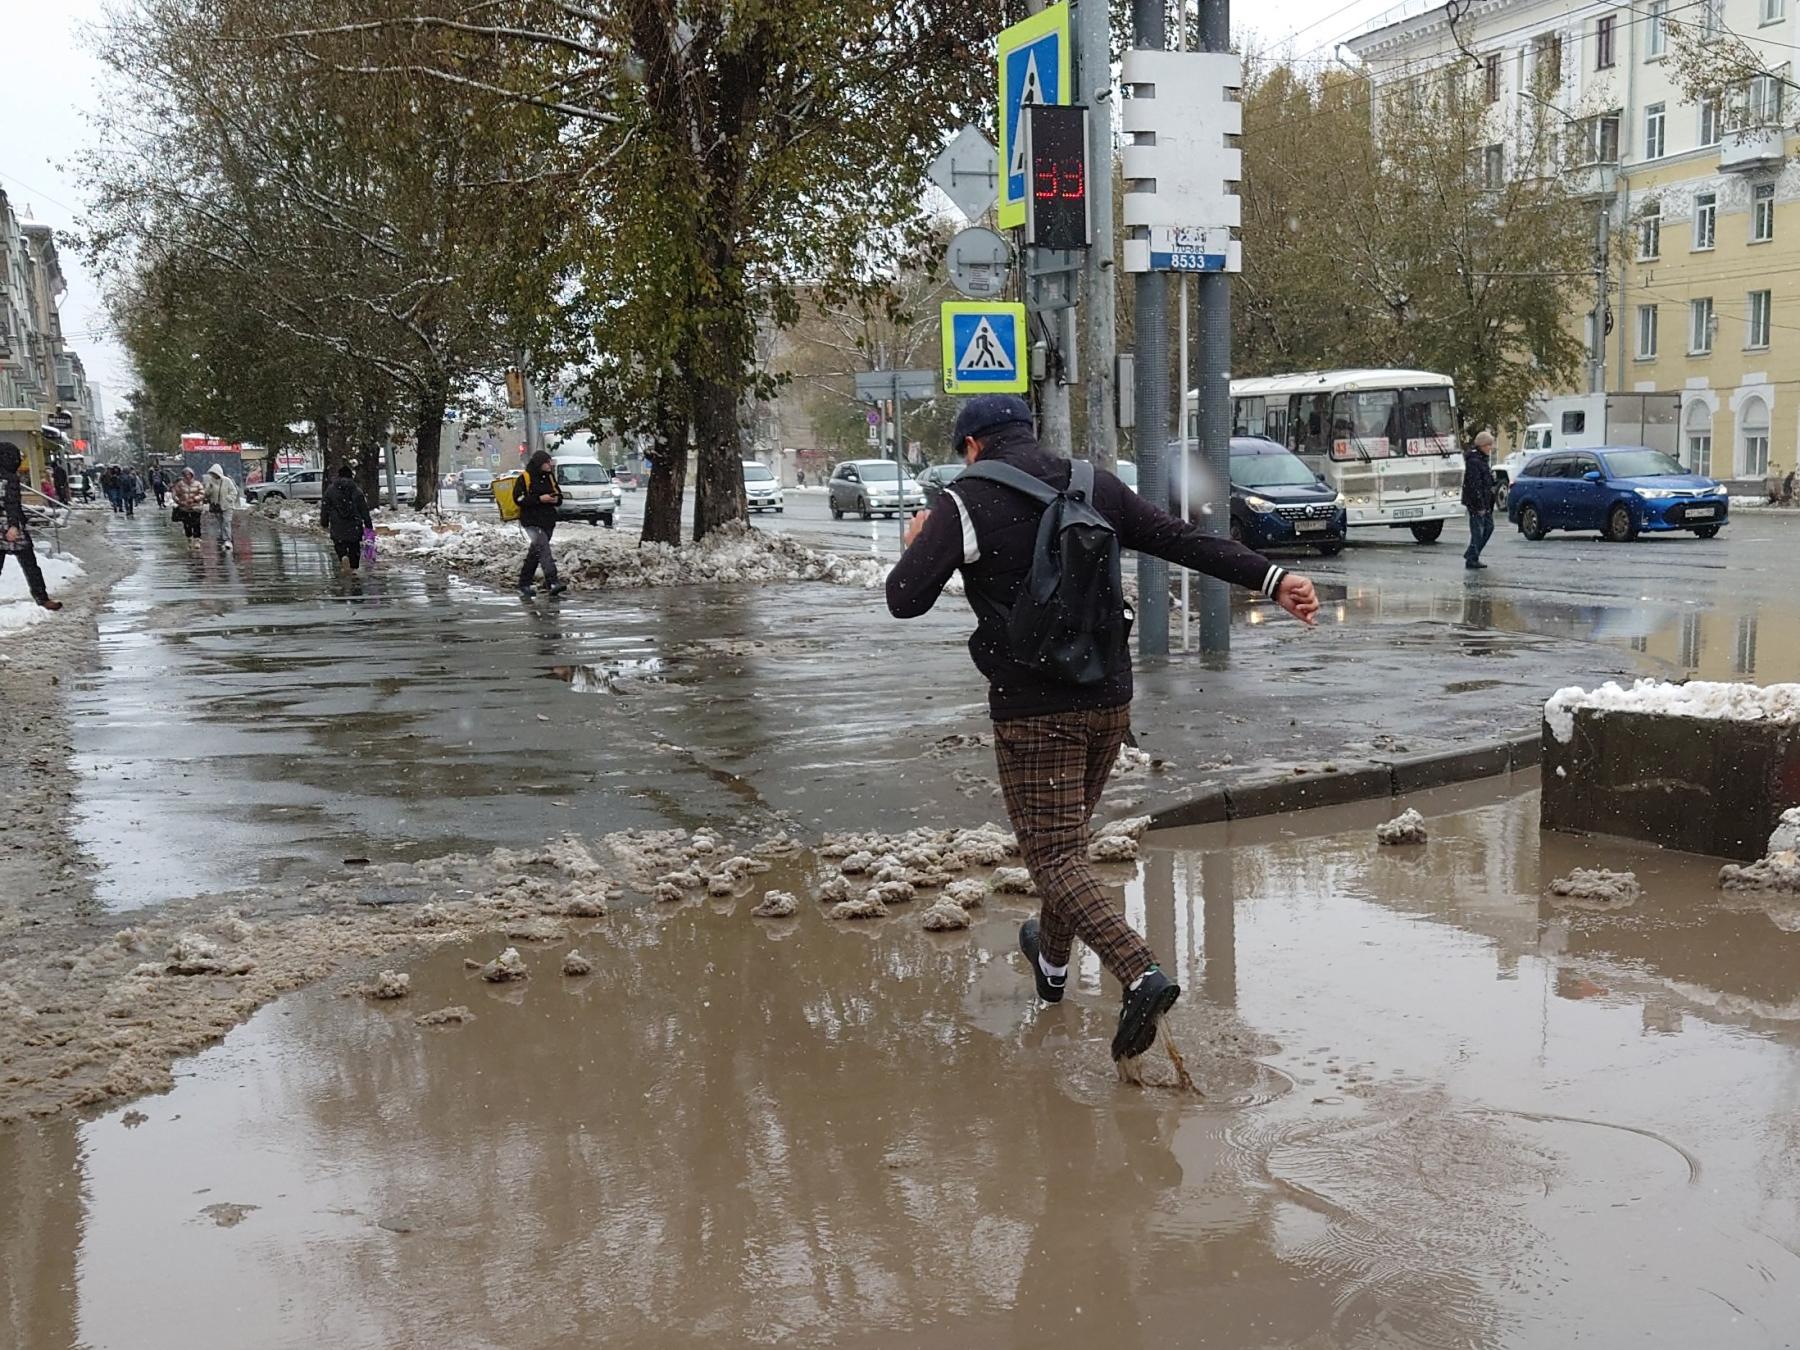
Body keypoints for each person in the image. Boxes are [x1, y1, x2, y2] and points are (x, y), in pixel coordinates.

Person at [885, 395, 1319, 1065]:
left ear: (971, 446)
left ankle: (1142, 974)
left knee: (1053, 857)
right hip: (1108, 698)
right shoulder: (1093, 483)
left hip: (1034, 709)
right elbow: (1181, 539)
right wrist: (1272, 576)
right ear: (1027, 434)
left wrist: (922, 541)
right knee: (1069, 849)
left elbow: (903, 600)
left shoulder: (965, 501)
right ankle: (1051, 970)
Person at [0, 442, 62, 612]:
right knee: (30, 565)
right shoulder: (10, 478)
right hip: (11, 527)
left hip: (8, 524)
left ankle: (42, 597)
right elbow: (11, 502)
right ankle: (42, 598)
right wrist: (14, 525)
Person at [512, 449, 566, 598]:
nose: (550, 465)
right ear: (539, 463)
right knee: (543, 550)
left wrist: (555, 499)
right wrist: (539, 499)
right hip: (531, 521)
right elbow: (519, 499)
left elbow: (559, 495)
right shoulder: (525, 478)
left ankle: (524, 583)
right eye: (547, 462)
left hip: (548, 520)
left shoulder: (549, 477)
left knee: (536, 552)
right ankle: (553, 581)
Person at [320, 464, 374, 575]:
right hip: (354, 523)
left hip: (337, 523)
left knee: (339, 543)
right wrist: (368, 525)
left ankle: (343, 556)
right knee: (354, 545)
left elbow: (325, 507)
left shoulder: (330, 490)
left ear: (339, 476)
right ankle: (354, 567)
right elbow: (364, 509)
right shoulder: (356, 491)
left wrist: (324, 522)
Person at [1462, 430, 1498, 571]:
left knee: (1488, 528)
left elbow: (1485, 482)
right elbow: (1474, 485)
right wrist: (1479, 505)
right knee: (1478, 531)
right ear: (1482, 445)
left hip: (1485, 502)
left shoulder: (1481, 460)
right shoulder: (1474, 461)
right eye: (1489, 445)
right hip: (1477, 503)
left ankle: (1472, 555)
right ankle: (1472, 557)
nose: (1491, 448)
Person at [203, 463, 240, 549]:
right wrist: (209, 488)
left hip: (227, 506)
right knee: (221, 522)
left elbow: (234, 491)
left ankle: (228, 539)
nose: (214, 475)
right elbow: (206, 494)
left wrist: (229, 499)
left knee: (227, 522)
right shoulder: (211, 482)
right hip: (217, 506)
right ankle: (224, 537)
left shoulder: (227, 481)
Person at [171, 467, 206, 546]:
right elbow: (174, 494)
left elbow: (202, 493)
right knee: (187, 524)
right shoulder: (180, 484)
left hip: (196, 507)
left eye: (189, 474)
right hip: (184, 508)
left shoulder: (197, 484)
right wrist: (179, 502)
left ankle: (197, 539)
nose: (187, 476)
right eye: (186, 474)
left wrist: (194, 499)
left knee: (196, 523)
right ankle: (189, 537)